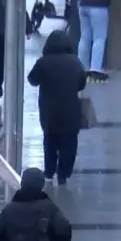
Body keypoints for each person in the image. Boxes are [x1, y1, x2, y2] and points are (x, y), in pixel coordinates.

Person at [27, 29, 88, 186]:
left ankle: (49, 171)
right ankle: (63, 174)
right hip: (71, 110)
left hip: (49, 111)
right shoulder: (75, 62)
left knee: (50, 141)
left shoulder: (43, 62)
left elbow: (32, 79)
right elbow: (81, 84)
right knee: (69, 143)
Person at [72, 0, 117, 79]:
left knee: (84, 37)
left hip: (83, 4)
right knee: (99, 38)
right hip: (99, 5)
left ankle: (82, 67)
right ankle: (95, 68)